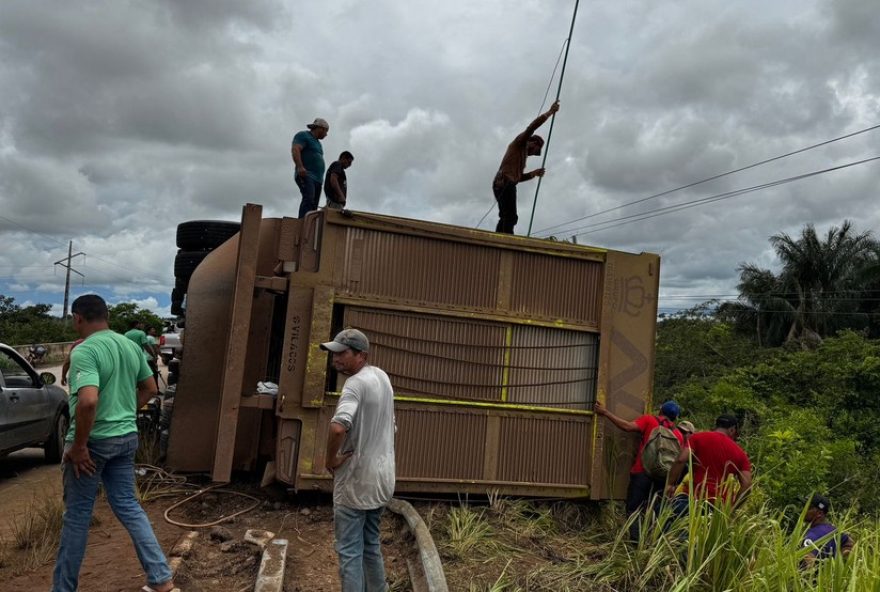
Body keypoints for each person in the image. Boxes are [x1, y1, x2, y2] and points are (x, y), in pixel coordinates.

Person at [52, 294, 174, 592]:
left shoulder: (85, 351)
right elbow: (150, 388)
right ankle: (162, 580)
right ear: (106, 316)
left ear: (78, 318)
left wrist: (79, 446)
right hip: (125, 438)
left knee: (77, 517)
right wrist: (123, 411)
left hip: (93, 444)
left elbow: (88, 401)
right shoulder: (130, 346)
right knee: (129, 506)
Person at [321, 328, 396, 592]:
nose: (336, 359)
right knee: (370, 544)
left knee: (350, 551)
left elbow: (338, 426)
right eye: (334, 353)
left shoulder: (354, 384)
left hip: (356, 481)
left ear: (361, 355)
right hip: (382, 479)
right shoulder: (381, 377)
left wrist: (331, 460)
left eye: (342, 354)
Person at [594, 399, 684, 541]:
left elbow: (627, 427)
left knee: (634, 509)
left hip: (642, 472)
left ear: (660, 411)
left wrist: (605, 412)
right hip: (662, 478)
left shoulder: (649, 420)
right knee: (654, 510)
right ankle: (651, 541)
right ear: (676, 417)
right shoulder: (678, 434)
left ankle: (636, 542)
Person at [492, 100, 560, 234]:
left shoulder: (522, 158)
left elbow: (517, 178)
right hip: (504, 182)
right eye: (536, 150)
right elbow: (532, 127)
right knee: (510, 216)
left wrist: (533, 174)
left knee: (506, 216)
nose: (534, 153)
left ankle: (500, 239)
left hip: (504, 182)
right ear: (533, 142)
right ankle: (506, 241)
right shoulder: (520, 143)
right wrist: (550, 112)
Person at [665, 414, 752, 512]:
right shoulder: (740, 453)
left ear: (717, 425)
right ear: (732, 430)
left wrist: (669, 484)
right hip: (717, 508)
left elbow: (681, 459)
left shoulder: (697, 437)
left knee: (666, 521)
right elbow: (747, 485)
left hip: (691, 498)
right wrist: (732, 509)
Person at [292, 117, 330, 218]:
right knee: (308, 198)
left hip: (318, 179)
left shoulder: (318, 143)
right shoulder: (303, 135)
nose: (326, 134)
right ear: (320, 128)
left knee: (314, 205)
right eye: (326, 131)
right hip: (307, 174)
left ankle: (310, 226)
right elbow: (295, 149)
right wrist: (300, 167)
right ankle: (302, 223)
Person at [802, 494, 853, 566]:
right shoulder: (834, 530)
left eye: (808, 507)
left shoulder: (812, 535)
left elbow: (808, 561)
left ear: (819, 513)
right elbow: (849, 543)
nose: (804, 510)